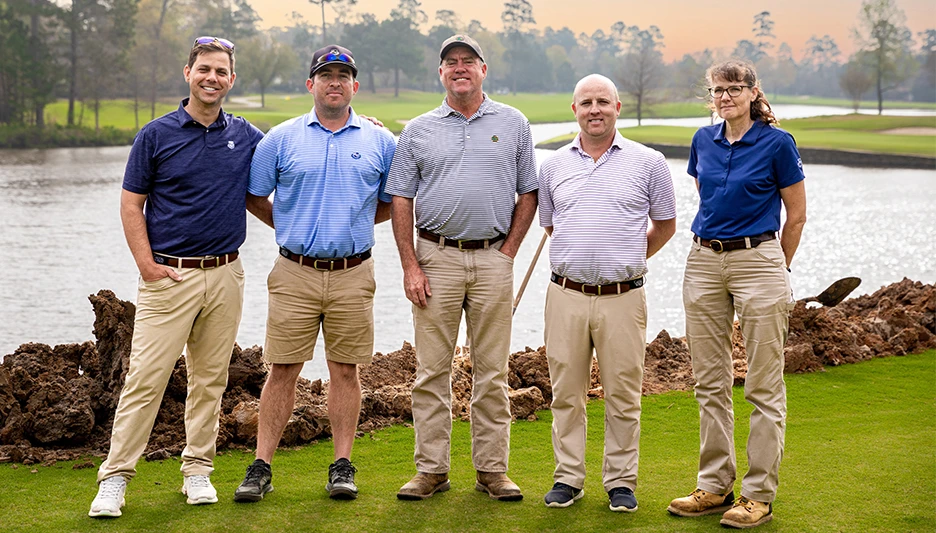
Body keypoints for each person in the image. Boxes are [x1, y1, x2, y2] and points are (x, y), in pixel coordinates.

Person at [89, 37, 264, 518]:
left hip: (226, 274)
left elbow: (290, 163)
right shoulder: (155, 135)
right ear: (188, 73)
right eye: (204, 69)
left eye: (221, 71)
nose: (212, 78)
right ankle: (115, 479)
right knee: (145, 380)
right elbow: (131, 204)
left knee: (210, 380)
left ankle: (197, 471)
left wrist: (365, 127)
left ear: (232, 79)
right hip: (169, 277)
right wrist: (146, 266)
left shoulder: (246, 135)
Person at [232, 44, 395, 503]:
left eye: (344, 75)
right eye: (326, 75)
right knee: (282, 368)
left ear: (355, 86)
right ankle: (261, 465)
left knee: (346, 370)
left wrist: (357, 223)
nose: (335, 82)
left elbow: (393, 201)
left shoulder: (381, 142)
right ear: (312, 84)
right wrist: (287, 225)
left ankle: (342, 466)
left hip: (353, 271)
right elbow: (253, 194)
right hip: (294, 271)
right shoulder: (280, 139)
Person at [386, 34, 537, 501]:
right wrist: (410, 265)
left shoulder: (513, 123)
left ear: (482, 69)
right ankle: (431, 470)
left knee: (491, 371)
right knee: (432, 372)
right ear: (441, 73)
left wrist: (508, 251)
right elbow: (401, 199)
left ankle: (493, 471)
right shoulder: (418, 129)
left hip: (493, 257)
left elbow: (528, 192)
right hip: (436, 259)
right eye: (450, 62)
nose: (459, 68)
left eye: (467, 61)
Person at [667, 59, 806, 529]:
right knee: (709, 381)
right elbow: (707, 194)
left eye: (733, 88)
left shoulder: (777, 143)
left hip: (759, 259)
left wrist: (777, 267)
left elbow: (797, 215)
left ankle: (758, 495)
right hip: (704, 259)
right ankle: (713, 485)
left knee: (764, 385)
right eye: (717, 90)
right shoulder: (702, 140)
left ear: (751, 92)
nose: (724, 97)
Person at [537, 74, 676, 512]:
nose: (594, 109)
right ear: (573, 110)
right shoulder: (553, 166)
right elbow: (552, 225)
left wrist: (631, 256)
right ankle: (568, 478)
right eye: (585, 102)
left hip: (624, 297)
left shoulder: (649, 162)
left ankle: (620, 481)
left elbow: (666, 225)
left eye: (602, 101)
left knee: (623, 393)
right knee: (566, 392)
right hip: (566, 295)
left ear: (617, 106)